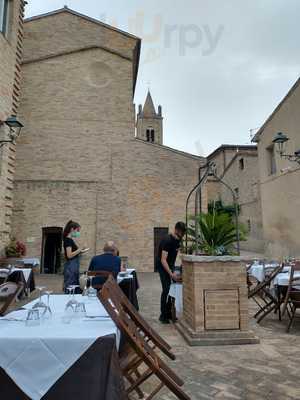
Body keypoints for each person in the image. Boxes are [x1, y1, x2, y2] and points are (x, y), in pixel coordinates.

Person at [156, 221, 186, 324]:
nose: (182, 235)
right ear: (176, 230)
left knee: (172, 289)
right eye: (182, 233)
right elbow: (163, 259)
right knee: (166, 289)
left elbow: (180, 252)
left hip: (170, 265)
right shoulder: (167, 240)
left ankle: (169, 313)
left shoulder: (178, 240)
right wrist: (171, 274)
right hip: (162, 266)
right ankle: (163, 315)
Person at [63, 220, 89, 293]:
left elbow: (73, 253)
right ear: (72, 229)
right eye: (77, 230)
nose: (78, 233)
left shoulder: (70, 240)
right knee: (71, 285)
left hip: (73, 265)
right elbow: (69, 255)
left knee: (74, 284)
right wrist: (80, 248)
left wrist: (82, 251)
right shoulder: (68, 240)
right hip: (71, 266)